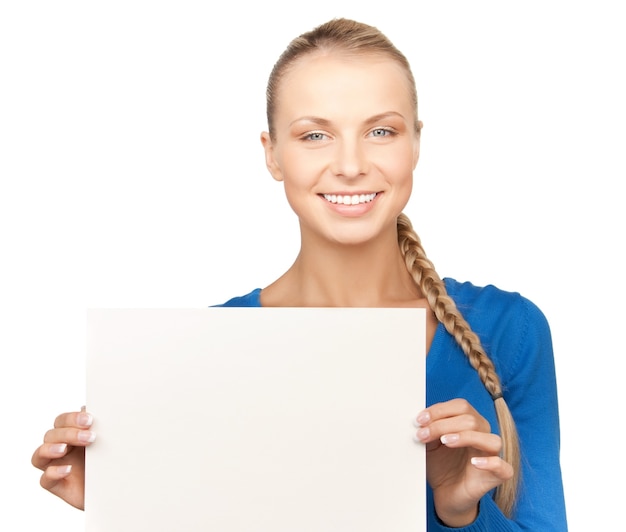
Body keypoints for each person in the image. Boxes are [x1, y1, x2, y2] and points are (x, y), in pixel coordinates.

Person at [31, 17, 568, 530]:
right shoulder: (204, 347)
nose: (352, 164)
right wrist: (124, 508)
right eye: (315, 135)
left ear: (416, 144)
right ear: (273, 155)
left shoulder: (509, 331)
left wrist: (460, 512)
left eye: (381, 130)